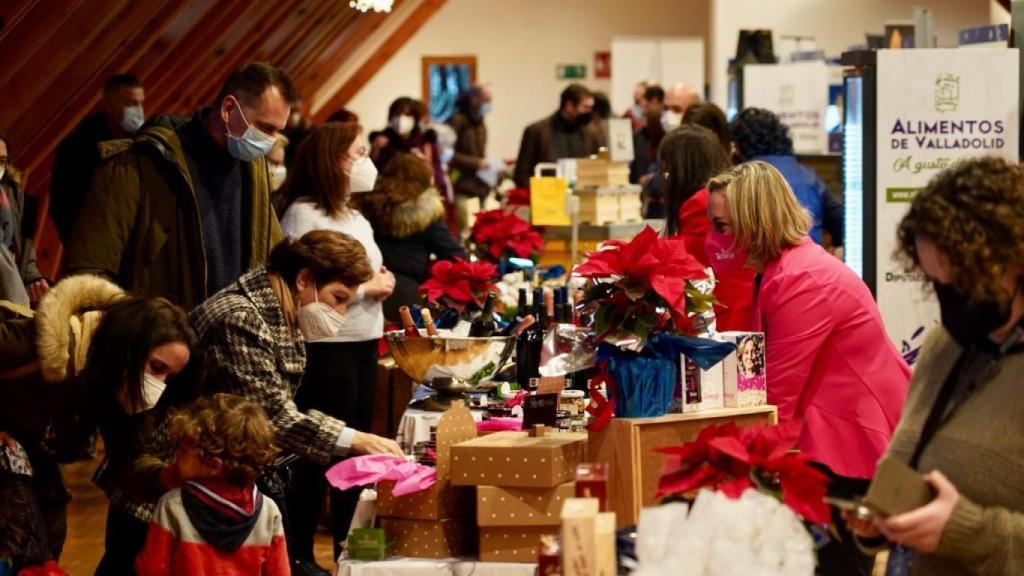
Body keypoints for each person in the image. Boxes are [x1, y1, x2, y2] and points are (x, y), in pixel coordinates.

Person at [706, 161, 910, 575]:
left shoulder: (805, 280)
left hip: (851, 449)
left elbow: (777, 393)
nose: (714, 240)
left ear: (755, 222)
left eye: (722, 227)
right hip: (834, 445)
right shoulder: (784, 271)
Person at [845, 157, 1024, 576]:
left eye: (962, 284)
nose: (950, 304)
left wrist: (970, 532)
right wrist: (881, 521)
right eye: (935, 283)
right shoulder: (946, 347)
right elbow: (909, 463)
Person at [190, 230, 403, 576]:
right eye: (337, 298)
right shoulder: (242, 318)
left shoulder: (279, 311)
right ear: (305, 279)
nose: (339, 312)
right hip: (187, 480)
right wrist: (357, 439)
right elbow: (269, 416)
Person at [63, 62, 291, 310]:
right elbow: (90, 271)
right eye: (265, 127)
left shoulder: (254, 172)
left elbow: (271, 258)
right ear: (228, 109)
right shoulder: (142, 163)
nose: (269, 141)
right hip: (159, 339)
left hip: (231, 341)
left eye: (277, 132)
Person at [277, 122, 397, 565]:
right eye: (357, 153)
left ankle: (351, 550)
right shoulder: (305, 214)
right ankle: (301, 555)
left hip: (364, 338)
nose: (366, 162)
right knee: (319, 451)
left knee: (356, 454)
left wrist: (378, 283)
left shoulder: (354, 214)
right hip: (329, 343)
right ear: (331, 161)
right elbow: (307, 284)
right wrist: (367, 290)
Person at [0, 274, 124, 573]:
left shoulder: (104, 380)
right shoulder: (26, 343)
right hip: (10, 467)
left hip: (35, 469)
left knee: (44, 546)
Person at [83, 297, 201, 575]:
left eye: (168, 377)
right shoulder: (60, 351)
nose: (158, 386)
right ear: (128, 347)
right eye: (156, 368)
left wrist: (167, 475)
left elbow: (129, 455)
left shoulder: (132, 397)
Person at [135, 394, 288, 576]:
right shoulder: (269, 511)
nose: (175, 454)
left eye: (183, 450)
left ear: (213, 466)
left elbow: (152, 569)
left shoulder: (172, 506)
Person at [659, 125, 753, 331]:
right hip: (739, 306)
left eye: (667, 172)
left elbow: (685, 256)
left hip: (724, 313)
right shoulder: (725, 195)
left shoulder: (701, 204)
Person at [355, 153, 466, 323]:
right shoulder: (426, 213)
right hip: (406, 298)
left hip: (365, 291)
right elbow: (457, 257)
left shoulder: (366, 205)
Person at [49, 74, 146, 244]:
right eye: (131, 103)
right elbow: (61, 202)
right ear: (109, 105)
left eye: (140, 103)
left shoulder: (142, 147)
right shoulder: (78, 147)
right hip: (88, 243)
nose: (138, 110)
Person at [729, 107, 843, 251]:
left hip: (766, 266)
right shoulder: (809, 176)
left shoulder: (741, 179)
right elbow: (841, 225)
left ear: (738, 146)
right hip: (810, 261)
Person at [513, 83, 599, 188]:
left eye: (590, 108)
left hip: (582, 196)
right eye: (585, 107)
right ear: (569, 106)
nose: (589, 112)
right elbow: (522, 174)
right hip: (546, 195)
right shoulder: (536, 131)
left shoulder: (591, 134)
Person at [0, 133, 47, 306]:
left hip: (8, 299)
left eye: (2, 161)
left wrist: (33, 279)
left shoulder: (12, 194)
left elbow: (23, 249)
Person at [448, 84, 494, 201]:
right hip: (460, 184)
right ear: (474, 100)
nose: (489, 105)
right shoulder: (457, 120)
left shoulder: (480, 122)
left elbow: (480, 153)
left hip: (479, 185)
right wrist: (476, 163)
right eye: (487, 100)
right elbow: (446, 154)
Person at [630, 85, 666, 186]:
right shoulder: (639, 135)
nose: (639, 106)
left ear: (654, 101)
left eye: (639, 101)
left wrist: (654, 178)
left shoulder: (669, 135)